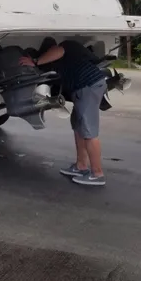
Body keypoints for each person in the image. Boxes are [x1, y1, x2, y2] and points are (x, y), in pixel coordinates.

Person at [19, 39, 108, 186]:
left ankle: (97, 174)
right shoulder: (60, 62)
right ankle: (81, 166)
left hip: (88, 86)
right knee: (78, 127)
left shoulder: (63, 47)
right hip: (84, 88)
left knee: (88, 131)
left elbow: (58, 50)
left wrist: (35, 61)